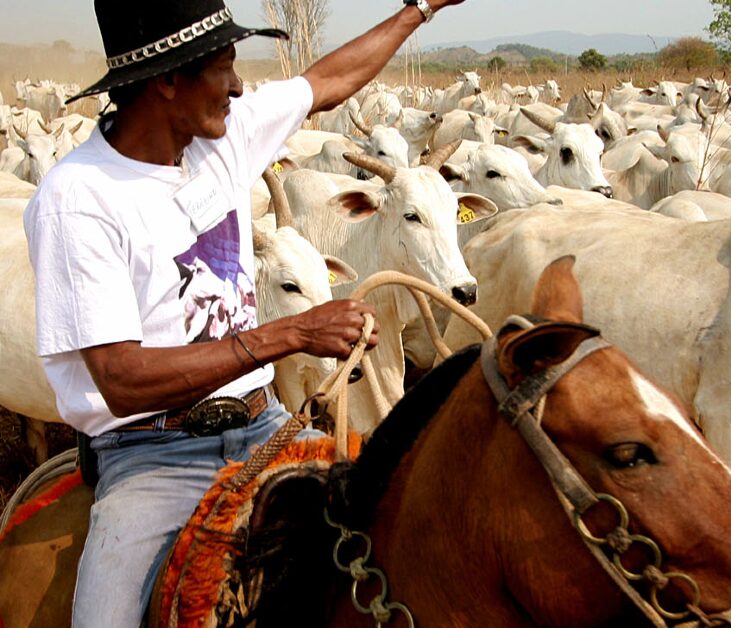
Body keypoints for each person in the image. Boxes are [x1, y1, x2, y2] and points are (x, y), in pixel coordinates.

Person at [22, 0, 464, 625]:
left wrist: (419, 9)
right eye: (224, 67)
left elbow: (327, 81)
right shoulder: (78, 199)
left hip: (266, 425)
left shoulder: (223, 139)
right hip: (150, 456)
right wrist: (289, 334)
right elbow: (121, 380)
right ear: (166, 81)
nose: (237, 87)